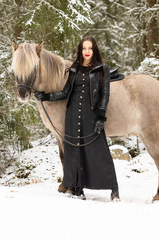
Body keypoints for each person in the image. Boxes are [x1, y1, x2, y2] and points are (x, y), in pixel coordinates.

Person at [34, 36, 120, 201]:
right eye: (84, 48)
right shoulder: (74, 69)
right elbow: (65, 93)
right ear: (80, 50)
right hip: (73, 114)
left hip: (91, 114)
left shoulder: (102, 69)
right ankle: (77, 188)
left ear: (94, 50)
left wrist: (101, 116)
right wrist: (45, 96)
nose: (87, 52)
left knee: (100, 151)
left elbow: (105, 94)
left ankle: (114, 189)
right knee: (74, 152)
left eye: (90, 48)